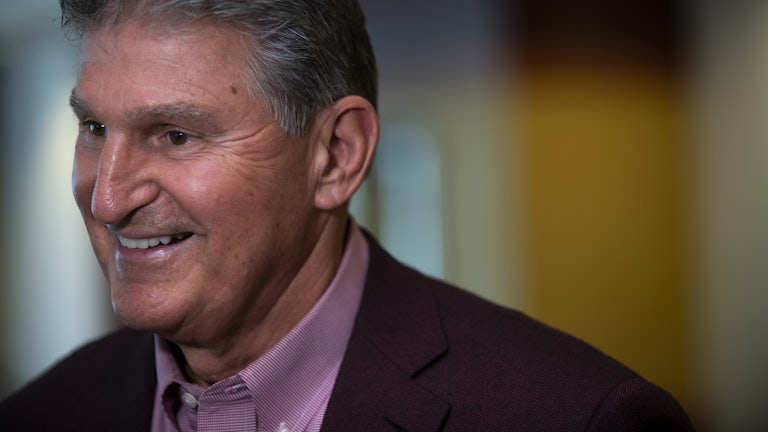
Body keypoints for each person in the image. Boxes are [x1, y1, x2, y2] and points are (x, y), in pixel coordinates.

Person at [0, 0, 694, 431]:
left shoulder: (574, 417)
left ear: (336, 155)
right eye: (94, 129)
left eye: (176, 136)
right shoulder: (44, 414)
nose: (107, 197)